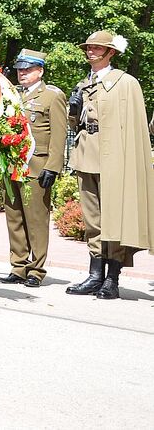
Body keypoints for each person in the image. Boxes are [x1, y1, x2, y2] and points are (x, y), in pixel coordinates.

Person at [65, 30, 154, 299]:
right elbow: (76, 124)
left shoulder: (125, 83)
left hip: (115, 157)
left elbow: (134, 127)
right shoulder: (83, 84)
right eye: (88, 48)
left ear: (110, 52)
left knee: (115, 217)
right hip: (87, 153)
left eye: (96, 48)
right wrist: (73, 110)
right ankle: (94, 274)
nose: (90, 52)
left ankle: (112, 277)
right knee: (93, 219)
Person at [0, 49, 67, 287]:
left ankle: (36, 270)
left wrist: (53, 167)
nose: (22, 73)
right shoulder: (12, 95)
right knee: (14, 217)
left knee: (36, 220)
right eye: (20, 69)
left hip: (37, 166)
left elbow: (59, 135)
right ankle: (18, 266)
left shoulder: (52, 96)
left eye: (28, 69)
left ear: (40, 71)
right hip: (13, 165)